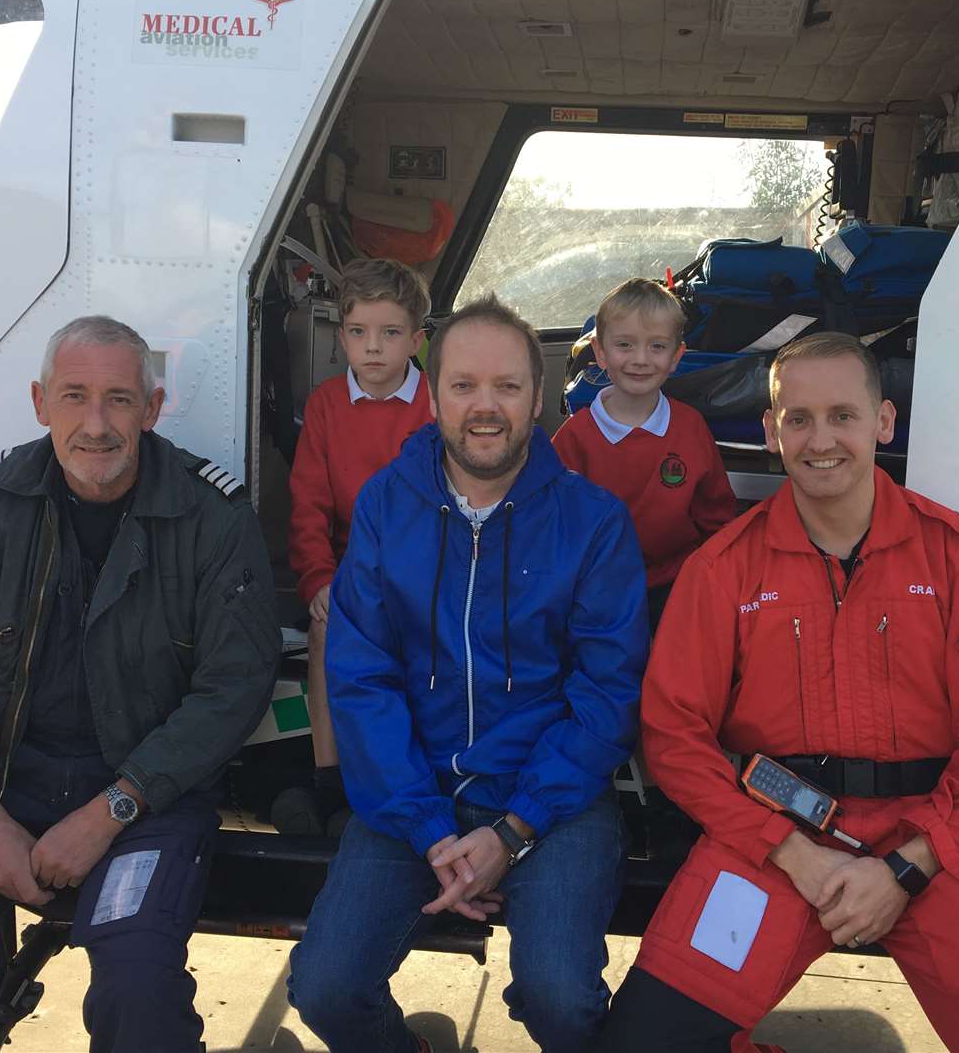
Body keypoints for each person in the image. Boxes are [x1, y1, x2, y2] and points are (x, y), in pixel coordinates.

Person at [598, 333, 959, 1053]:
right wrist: (792, 853)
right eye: (799, 419)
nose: (821, 440)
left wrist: (908, 866)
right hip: (773, 847)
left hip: (934, 845)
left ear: (883, 422)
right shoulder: (723, 570)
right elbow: (674, 739)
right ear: (772, 432)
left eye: (842, 415)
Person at [0, 316, 281, 1053]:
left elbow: (234, 688)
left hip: (145, 801)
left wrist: (110, 811)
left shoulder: (212, 516)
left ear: (152, 409)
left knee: (140, 1000)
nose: (96, 425)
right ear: (41, 403)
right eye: (75, 396)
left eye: (120, 400)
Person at [287, 295, 649, 1053]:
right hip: (415, 797)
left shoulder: (594, 521)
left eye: (508, 387)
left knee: (559, 998)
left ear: (538, 396)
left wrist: (511, 832)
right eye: (463, 386)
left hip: (552, 805)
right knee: (324, 988)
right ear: (432, 393)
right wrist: (427, 829)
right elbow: (361, 679)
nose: (485, 407)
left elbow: (606, 697)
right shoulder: (388, 506)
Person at [285, 257, 434, 834]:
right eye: (357, 332)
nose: (373, 348)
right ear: (340, 333)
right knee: (326, 628)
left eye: (390, 333)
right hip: (349, 569)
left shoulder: (435, 405)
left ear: (416, 339)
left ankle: (407, 774)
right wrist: (317, 580)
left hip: (422, 568)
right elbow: (308, 506)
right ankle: (330, 779)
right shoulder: (325, 406)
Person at [553, 278, 737, 630]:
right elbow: (555, 528)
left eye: (656, 346)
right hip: (596, 587)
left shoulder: (690, 428)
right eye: (625, 345)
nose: (640, 359)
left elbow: (717, 516)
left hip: (677, 582)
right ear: (601, 352)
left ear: (676, 357)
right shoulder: (574, 438)